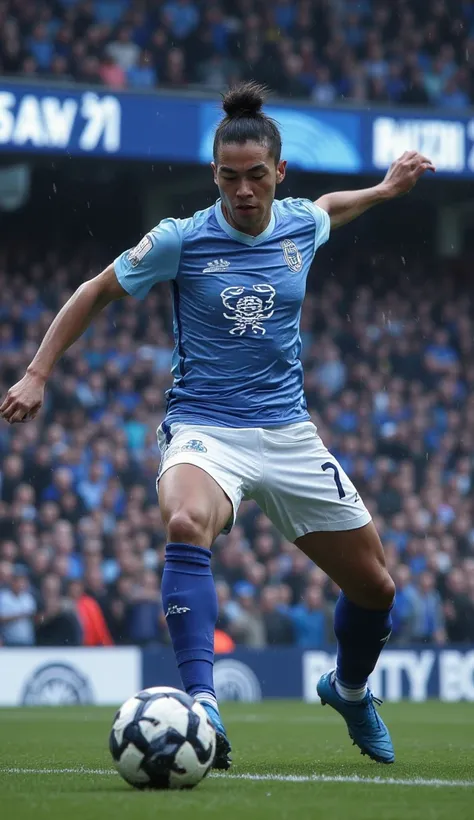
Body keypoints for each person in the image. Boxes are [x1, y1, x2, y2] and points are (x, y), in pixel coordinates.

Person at [0, 81, 435, 769]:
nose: (242, 191)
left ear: (278, 173)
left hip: (289, 432)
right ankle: (203, 703)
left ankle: (349, 689)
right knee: (184, 522)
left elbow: (329, 210)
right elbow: (95, 291)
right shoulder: (181, 239)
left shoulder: (298, 222)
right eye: (229, 178)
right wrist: (38, 373)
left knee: (376, 588)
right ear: (214, 175)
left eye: (256, 176)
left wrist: (384, 191)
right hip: (206, 428)